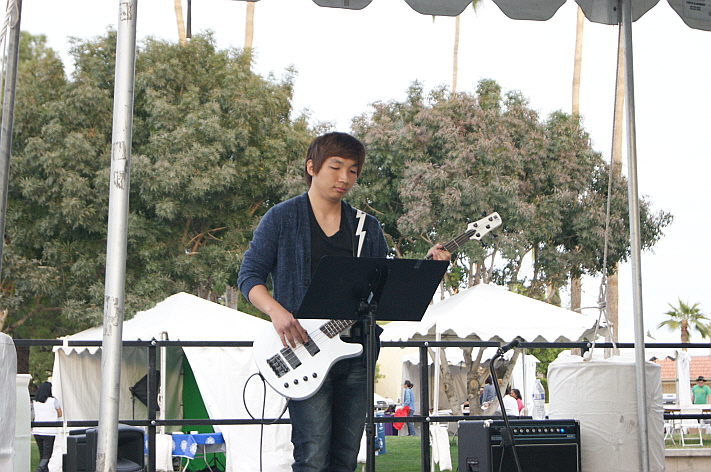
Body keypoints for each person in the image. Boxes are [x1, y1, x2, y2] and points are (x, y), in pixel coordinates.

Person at [238, 132, 450, 472]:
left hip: (358, 353)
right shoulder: (281, 218)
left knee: (347, 457)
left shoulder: (367, 227)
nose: (345, 178)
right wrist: (277, 312)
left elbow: (383, 287)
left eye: (352, 170)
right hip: (304, 349)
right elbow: (249, 276)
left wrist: (426, 268)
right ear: (312, 167)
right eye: (336, 167)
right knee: (312, 455)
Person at [32, 381, 62, 472]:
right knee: (47, 455)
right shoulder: (53, 400)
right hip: (49, 431)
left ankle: (44, 470)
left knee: (42, 455)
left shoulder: (35, 401)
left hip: (37, 430)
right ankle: (39, 469)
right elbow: (59, 414)